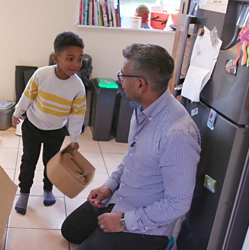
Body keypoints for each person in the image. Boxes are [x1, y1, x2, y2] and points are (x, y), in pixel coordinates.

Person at [61, 43, 201, 250]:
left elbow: (178, 203)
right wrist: (109, 185)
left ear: (140, 84)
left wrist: (124, 221)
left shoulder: (177, 133)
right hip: (121, 198)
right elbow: (133, 158)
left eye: (122, 76)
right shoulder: (141, 109)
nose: (120, 82)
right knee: (70, 230)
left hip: (146, 227)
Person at [12, 31, 87, 215]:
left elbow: (78, 115)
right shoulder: (42, 75)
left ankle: (47, 189)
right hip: (33, 127)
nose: (76, 64)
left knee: (51, 163)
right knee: (29, 160)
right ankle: (24, 192)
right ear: (56, 57)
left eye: (79, 59)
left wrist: (75, 138)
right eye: (70, 58)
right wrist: (17, 112)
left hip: (56, 131)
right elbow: (27, 95)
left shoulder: (78, 87)